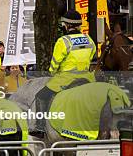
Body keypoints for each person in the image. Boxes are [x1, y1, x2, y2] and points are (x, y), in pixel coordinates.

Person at [31, 10, 96, 138]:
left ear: (66, 25)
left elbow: (55, 63)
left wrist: (52, 72)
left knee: (41, 96)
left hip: (65, 79)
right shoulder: (88, 39)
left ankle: (40, 128)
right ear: (79, 25)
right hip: (88, 78)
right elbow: (92, 55)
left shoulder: (63, 41)